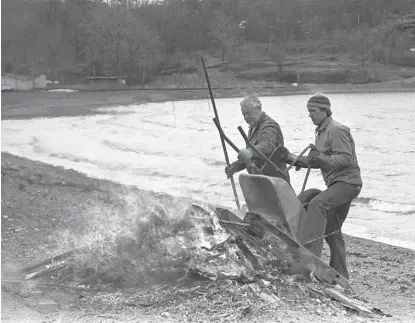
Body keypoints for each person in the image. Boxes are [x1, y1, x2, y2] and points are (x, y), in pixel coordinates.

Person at [283, 93, 362, 279]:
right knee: (332, 230)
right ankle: (340, 275)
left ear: (325, 111)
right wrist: (290, 158)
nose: (310, 115)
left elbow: (345, 158)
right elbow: (318, 161)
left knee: (317, 203)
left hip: (348, 183)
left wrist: (320, 157)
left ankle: (309, 255)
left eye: (313, 111)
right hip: (335, 184)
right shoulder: (320, 132)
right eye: (308, 111)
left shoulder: (337, 130)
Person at [224, 93, 289, 182]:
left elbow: (267, 145)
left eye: (249, 113)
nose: (246, 117)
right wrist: (235, 167)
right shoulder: (253, 127)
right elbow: (249, 157)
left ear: (259, 109)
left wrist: (250, 152)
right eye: (244, 114)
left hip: (276, 181)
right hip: (260, 180)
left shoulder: (269, 125)